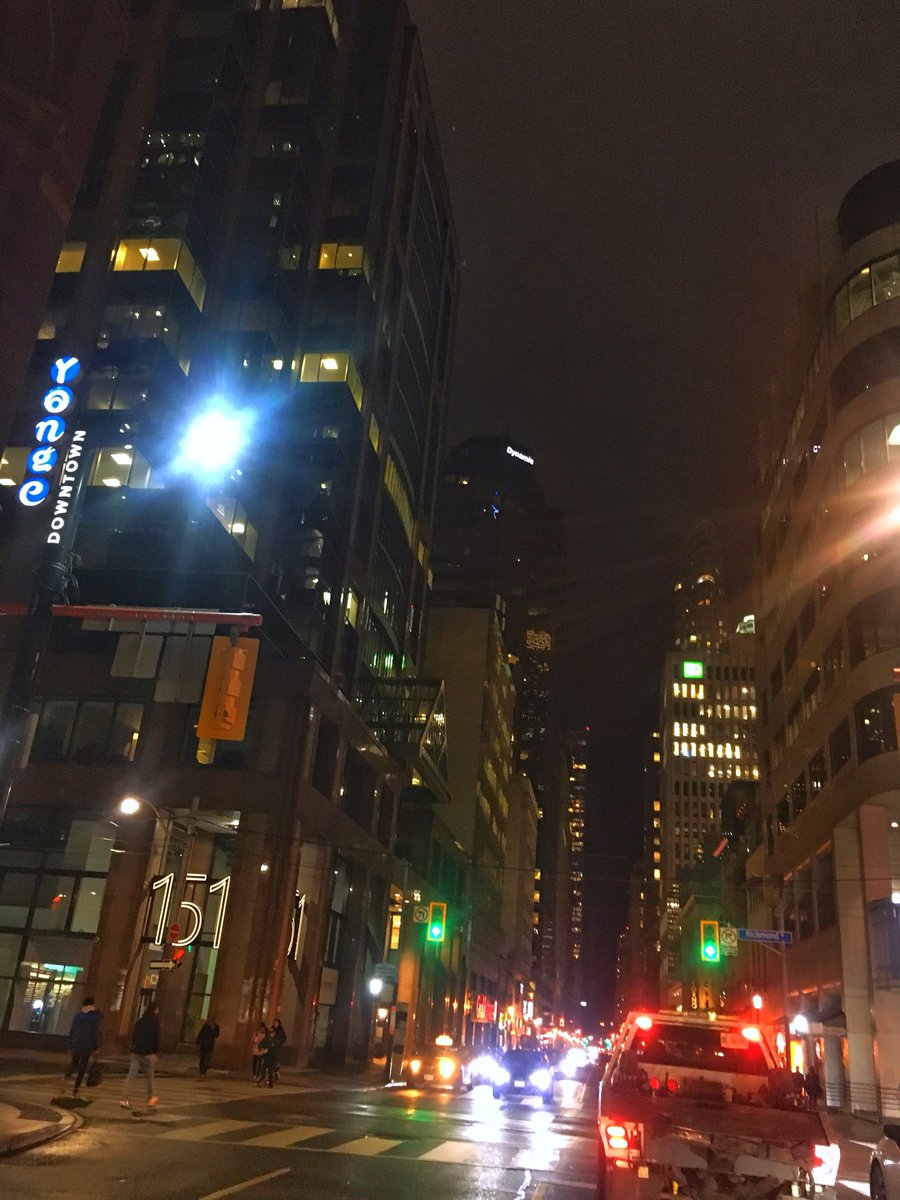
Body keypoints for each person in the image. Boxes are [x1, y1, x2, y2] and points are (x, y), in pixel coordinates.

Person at [121, 1002, 160, 1109]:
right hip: (147, 1053)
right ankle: (149, 1100)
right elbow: (154, 1038)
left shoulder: (140, 1021)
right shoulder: (155, 1022)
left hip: (136, 1051)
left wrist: (133, 1048)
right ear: (155, 1010)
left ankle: (124, 1099)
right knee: (149, 1077)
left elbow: (134, 1036)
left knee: (131, 1075)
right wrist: (153, 1053)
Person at [67, 997, 103, 1096]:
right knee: (82, 1067)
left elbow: (72, 1031)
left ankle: (65, 1081)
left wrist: (70, 1045)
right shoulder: (94, 1017)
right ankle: (76, 1088)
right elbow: (95, 1032)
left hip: (77, 1043)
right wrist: (96, 1047)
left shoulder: (78, 1016)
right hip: (87, 1045)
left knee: (74, 1063)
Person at [262, 1018, 286, 1087]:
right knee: (266, 1067)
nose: (275, 1024)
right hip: (269, 1052)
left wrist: (276, 1042)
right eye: (274, 1023)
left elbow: (283, 1040)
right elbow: (267, 1038)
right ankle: (264, 1079)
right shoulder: (271, 1030)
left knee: (271, 1068)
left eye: (276, 1023)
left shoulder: (281, 1032)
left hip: (276, 1052)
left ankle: (271, 1082)